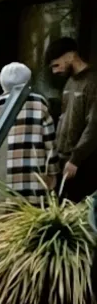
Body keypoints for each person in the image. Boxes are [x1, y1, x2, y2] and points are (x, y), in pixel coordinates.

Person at [0, 62, 57, 209]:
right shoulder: (40, 104)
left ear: (2, 83)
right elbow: (50, 143)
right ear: (28, 82)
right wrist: (52, 173)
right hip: (32, 184)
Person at [47, 37, 97, 201]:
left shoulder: (92, 82)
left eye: (56, 64)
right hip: (64, 159)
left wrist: (76, 159)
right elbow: (64, 119)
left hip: (83, 164)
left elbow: (94, 125)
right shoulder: (69, 82)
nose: (55, 71)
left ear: (70, 56)